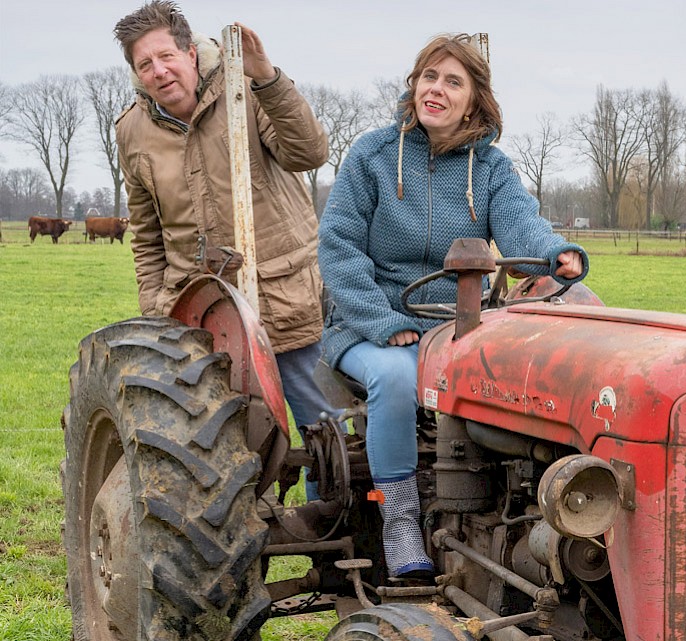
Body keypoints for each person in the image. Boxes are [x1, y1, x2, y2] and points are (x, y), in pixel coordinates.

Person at [318, 33, 588, 580]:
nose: (435, 90)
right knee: (395, 377)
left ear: (474, 100)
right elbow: (338, 247)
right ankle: (399, 521)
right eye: (428, 77)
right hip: (368, 324)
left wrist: (553, 254)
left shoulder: (488, 168)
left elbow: (520, 225)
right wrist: (383, 321)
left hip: (459, 324)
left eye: (452, 82)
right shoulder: (372, 155)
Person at [113, 0, 335, 495]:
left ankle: (335, 540)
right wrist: (155, 303)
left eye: (166, 56)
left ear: (191, 53)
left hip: (282, 299)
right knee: (210, 454)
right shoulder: (132, 131)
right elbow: (147, 234)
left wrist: (267, 78)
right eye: (144, 64)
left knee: (327, 436)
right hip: (199, 314)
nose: (159, 71)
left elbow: (309, 152)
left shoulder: (245, 91)